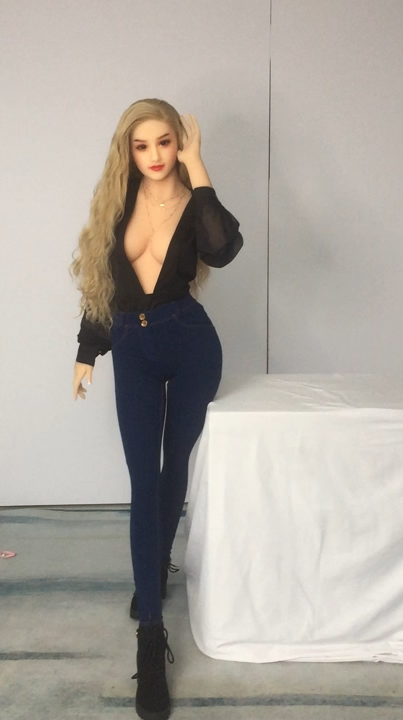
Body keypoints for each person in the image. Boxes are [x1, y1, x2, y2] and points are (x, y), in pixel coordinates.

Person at [70, 98, 243, 720]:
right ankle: (151, 633)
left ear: (179, 143)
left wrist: (199, 167)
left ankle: (153, 574)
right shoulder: (116, 203)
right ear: (128, 150)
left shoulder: (195, 202)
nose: (154, 156)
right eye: (141, 145)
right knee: (145, 481)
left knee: (174, 471)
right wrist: (88, 350)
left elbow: (222, 250)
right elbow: (102, 284)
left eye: (165, 142)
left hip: (191, 344)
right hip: (133, 347)